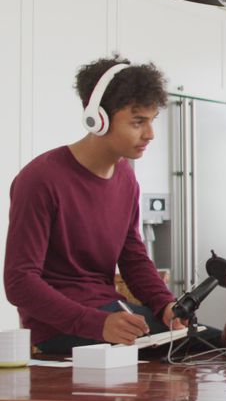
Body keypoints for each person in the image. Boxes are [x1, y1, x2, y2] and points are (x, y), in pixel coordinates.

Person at [5, 56, 183, 354]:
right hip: (59, 328)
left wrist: (164, 304)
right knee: (200, 347)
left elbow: (133, 258)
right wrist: (96, 323)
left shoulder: (126, 177)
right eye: (138, 121)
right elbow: (19, 281)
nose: (150, 134)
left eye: (152, 121)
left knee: (208, 341)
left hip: (110, 311)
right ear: (97, 119)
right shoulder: (40, 179)